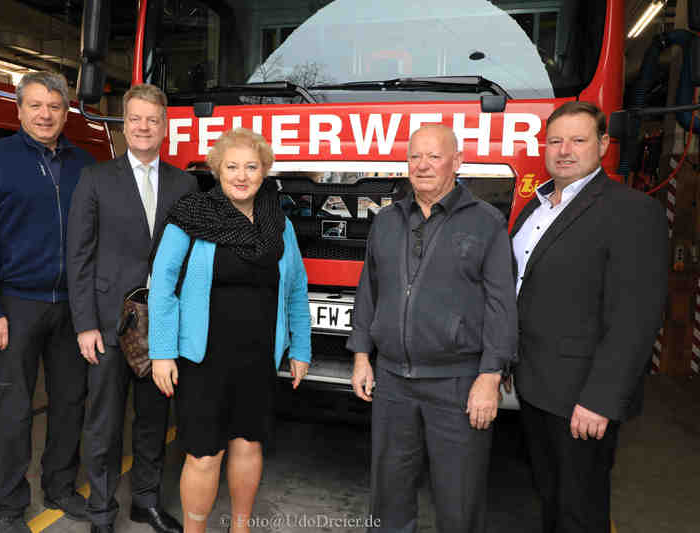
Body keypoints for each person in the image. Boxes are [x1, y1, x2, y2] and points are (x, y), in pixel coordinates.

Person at [348, 124, 518, 533]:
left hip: (457, 384)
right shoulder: (387, 220)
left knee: (458, 501)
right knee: (388, 498)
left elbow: (501, 304)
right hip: (391, 381)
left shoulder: (486, 222)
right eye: (414, 157)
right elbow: (368, 291)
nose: (422, 165)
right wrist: (360, 357)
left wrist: (490, 376)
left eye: (434, 156)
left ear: (457, 163)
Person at [511, 101, 668, 533]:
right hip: (534, 385)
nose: (564, 150)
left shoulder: (632, 211)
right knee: (550, 499)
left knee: (581, 510)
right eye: (556, 141)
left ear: (602, 145)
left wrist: (600, 399)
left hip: (581, 397)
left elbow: (637, 316)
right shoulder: (536, 208)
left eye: (578, 140)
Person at [147, 127, 311, 533]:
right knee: (204, 454)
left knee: (249, 444)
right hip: (203, 358)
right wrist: (162, 351)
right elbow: (163, 285)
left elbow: (296, 290)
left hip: (258, 356)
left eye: (251, 167)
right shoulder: (192, 215)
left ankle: (241, 528)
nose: (241, 175)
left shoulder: (279, 223)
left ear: (264, 171)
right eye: (232, 166)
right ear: (217, 170)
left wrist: (301, 348)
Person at [0, 71, 95, 533]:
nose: (45, 114)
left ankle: (59, 486)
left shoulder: (85, 164)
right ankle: (9, 504)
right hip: (15, 305)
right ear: (18, 111)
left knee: (70, 402)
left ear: (66, 113)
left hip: (73, 306)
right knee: (13, 408)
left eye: (55, 107)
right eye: (35, 105)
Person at [67, 83, 197, 533]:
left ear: (165, 126)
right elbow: (78, 257)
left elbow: (192, 261)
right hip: (106, 324)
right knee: (103, 424)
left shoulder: (186, 183)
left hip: (159, 328)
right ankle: (102, 512)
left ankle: (145, 500)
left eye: (153, 119)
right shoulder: (96, 179)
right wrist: (84, 323)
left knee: (153, 420)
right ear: (125, 124)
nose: (144, 127)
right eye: (136, 118)